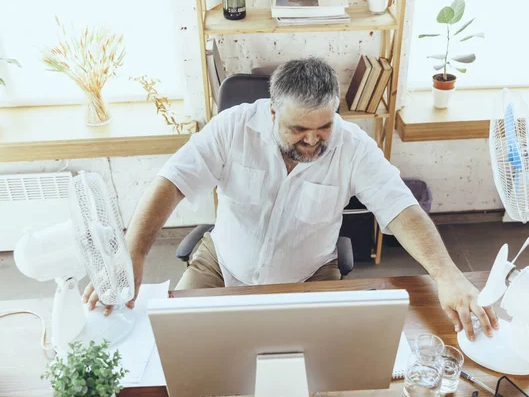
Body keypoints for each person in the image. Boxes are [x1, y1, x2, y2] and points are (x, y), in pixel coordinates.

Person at [82, 57, 498, 341]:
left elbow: (400, 207)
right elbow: (171, 181)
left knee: (320, 366)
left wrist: (447, 274)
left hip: (310, 273)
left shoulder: (353, 145)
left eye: (324, 127)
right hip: (222, 262)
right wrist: (132, 254)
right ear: (272, 113)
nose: (314, 140)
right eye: (300, 129)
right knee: (178, 346)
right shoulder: (232, 128)